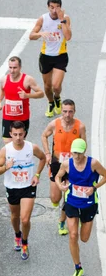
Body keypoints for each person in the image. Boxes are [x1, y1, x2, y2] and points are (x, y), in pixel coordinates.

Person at [55, 138, 106, 276]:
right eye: (74, 153)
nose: (76, 156)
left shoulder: (93, 163)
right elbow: (58, 177)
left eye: (79, 153)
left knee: (84, 238)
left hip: (89, 204)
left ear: (84, 151)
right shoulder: (67, 164)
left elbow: (105, 175)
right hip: (72, 201)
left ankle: (80, 223)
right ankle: (78, 267)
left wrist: (94, 187)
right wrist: (61, 186)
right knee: (73, 235)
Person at [0, 121, 46, 260]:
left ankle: (24, 241)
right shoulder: (6, 150)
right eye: (15, 134)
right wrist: (6, 167)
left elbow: (43, 158)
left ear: (25, 134)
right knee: (15, 216)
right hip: (12, 187)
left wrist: (37, 174)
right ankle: (17, 234)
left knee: (25, 219)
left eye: (20, 134)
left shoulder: (31, 147)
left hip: (28, 187)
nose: (18, 137)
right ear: (10, 134)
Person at [41, 99, 86, 235]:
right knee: (55, 198)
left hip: (72, 165)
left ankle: (62, 220)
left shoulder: (80, 127)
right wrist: (48, 154)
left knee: (69, 195)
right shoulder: (54, 124)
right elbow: (44, 136)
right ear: (62, 111)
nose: (67, 115)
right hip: (56, 164)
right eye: (65, 111)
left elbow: (84, 145)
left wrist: (79, 160)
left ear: (74, 111)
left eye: (70, 112)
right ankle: (60, 207)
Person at [29, 0, 72, 118]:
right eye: (51, 7)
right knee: (47, 87)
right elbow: (31, 36)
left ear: (60, 7)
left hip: (60, 56)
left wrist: (62, 19)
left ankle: (57, 98)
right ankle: (51, 102)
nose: (54, 10)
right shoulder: (43, 18)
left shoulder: (65, 18)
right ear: (48, 7)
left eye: (56, 7)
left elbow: (68, 37)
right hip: (46, 56)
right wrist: (40, 34)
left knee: (56, 86)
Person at [0, 56, 44, 143]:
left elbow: (41, 93)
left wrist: (27, 95)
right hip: (8, 116)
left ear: (20, 67)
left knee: (19, 142)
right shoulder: (4, 79)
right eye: (10, 67)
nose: (12, 70)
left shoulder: (28, 80)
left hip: (22, 118)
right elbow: (2, 89)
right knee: (7, 142)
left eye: (15, 68)